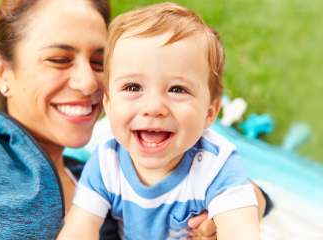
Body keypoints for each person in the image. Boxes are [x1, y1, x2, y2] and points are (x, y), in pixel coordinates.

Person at [0, 0, 272, 239]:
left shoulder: (98, 166)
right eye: (59, 59)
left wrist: (250, 200)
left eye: (99, 62)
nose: (88, 83)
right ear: (3, 70)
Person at [58, 2, 261, 240]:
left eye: (177, 89)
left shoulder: (215, 164)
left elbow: (241, 231)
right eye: (133, 87)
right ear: (108, 103)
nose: (154, 108)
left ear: (209, 112)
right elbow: (78, 231)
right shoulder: (106, 161)